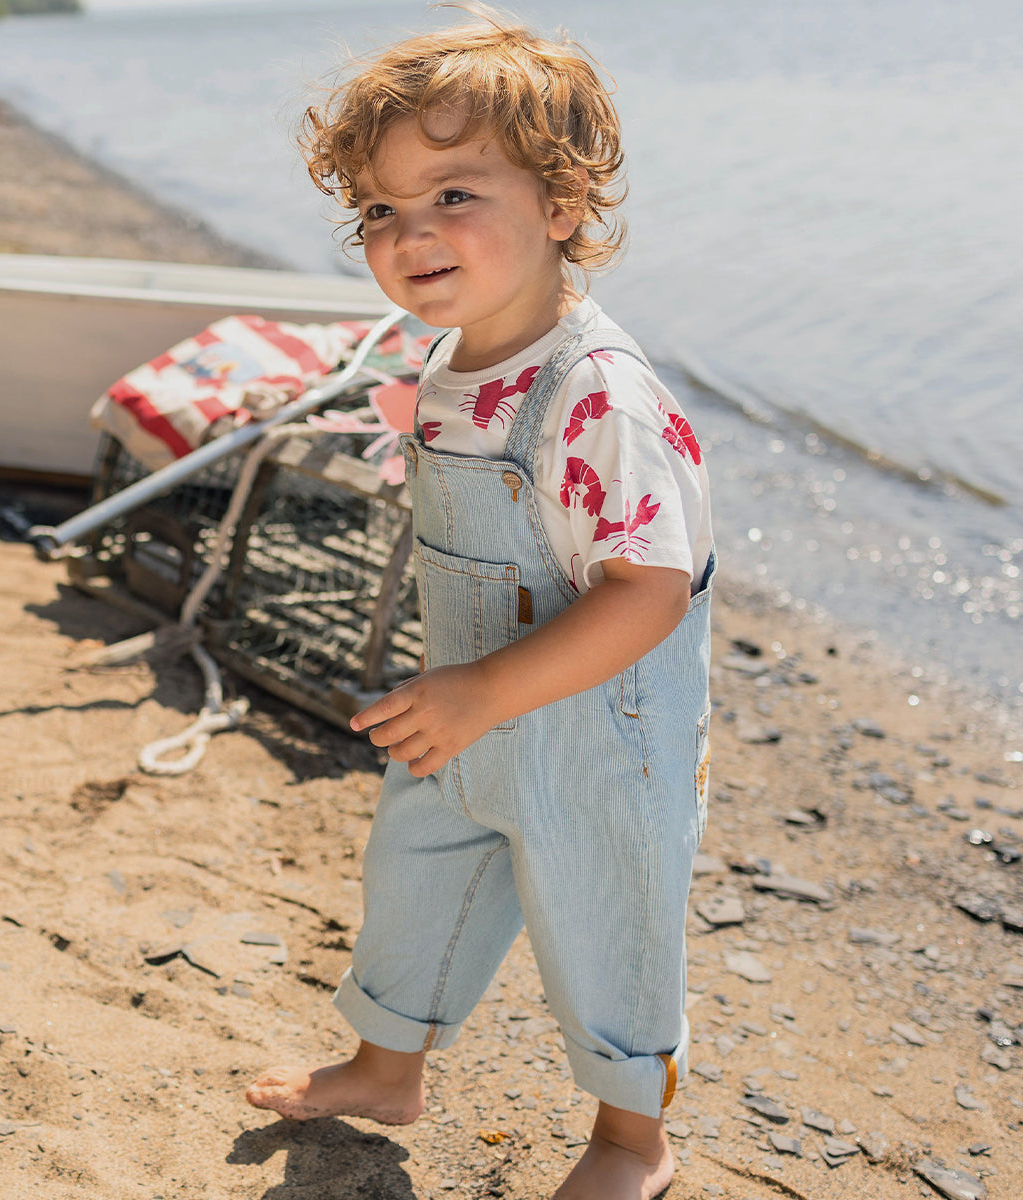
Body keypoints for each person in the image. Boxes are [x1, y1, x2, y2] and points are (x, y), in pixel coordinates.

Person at [246, 8, 714, 1198]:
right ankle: (385, 1067)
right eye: (379, 212)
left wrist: (490, 689)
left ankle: (632, 1142)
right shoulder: (455, 358)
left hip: (596, 737)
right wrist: (471, 695)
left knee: (608, 926)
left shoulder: (595, 391)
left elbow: (651, 592)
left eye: (453, 196)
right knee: (415, 879)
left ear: (561, 201)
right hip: (465, 708)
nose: (411, 235)